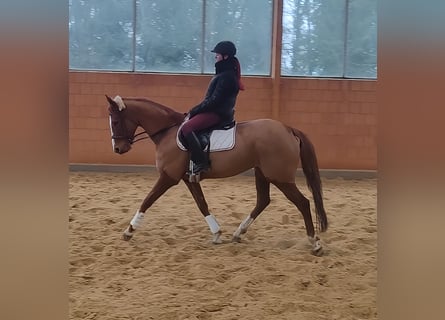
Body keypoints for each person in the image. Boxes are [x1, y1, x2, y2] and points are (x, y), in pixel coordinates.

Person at [181, 40, 245, 177]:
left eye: (217, 54)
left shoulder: (227, 77)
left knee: (186, 128)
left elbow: (214, 101)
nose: (215, 56)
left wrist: (194, 111)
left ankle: (201, 163)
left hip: (218, 113)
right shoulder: (224, 74)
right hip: (216, 111)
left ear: (225, 56)